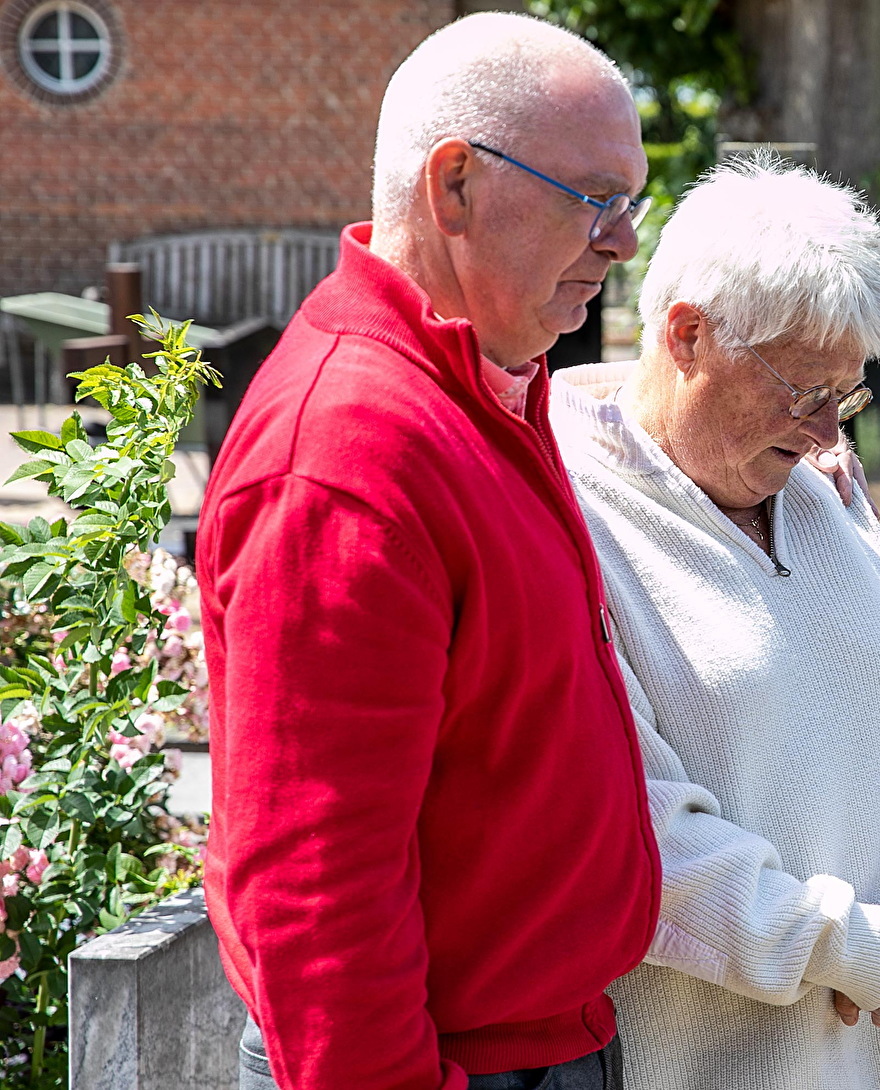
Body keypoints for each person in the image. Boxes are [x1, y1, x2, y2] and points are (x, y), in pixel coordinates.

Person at [197, 14, 661, 1089]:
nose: (624, 241)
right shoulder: (350, 451)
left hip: (541, 1039)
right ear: (452, 187)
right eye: (595, 199)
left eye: (631, 202)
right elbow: (316, 894)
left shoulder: (475, 381)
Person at [548, 155, 880, 1089]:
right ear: (687, 337)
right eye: (804, 394)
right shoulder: (563, 510)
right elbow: (633, 827)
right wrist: (859, 951)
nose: (826, 434)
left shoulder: (819, 488)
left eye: (846, 399)